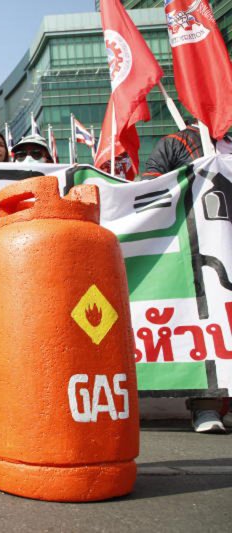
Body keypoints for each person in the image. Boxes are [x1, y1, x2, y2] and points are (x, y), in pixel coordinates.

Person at [140, 125, 231, 433]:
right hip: (199, 248)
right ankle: (206, 406)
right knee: (209, 325)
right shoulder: (180, 141)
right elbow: (148, 188)